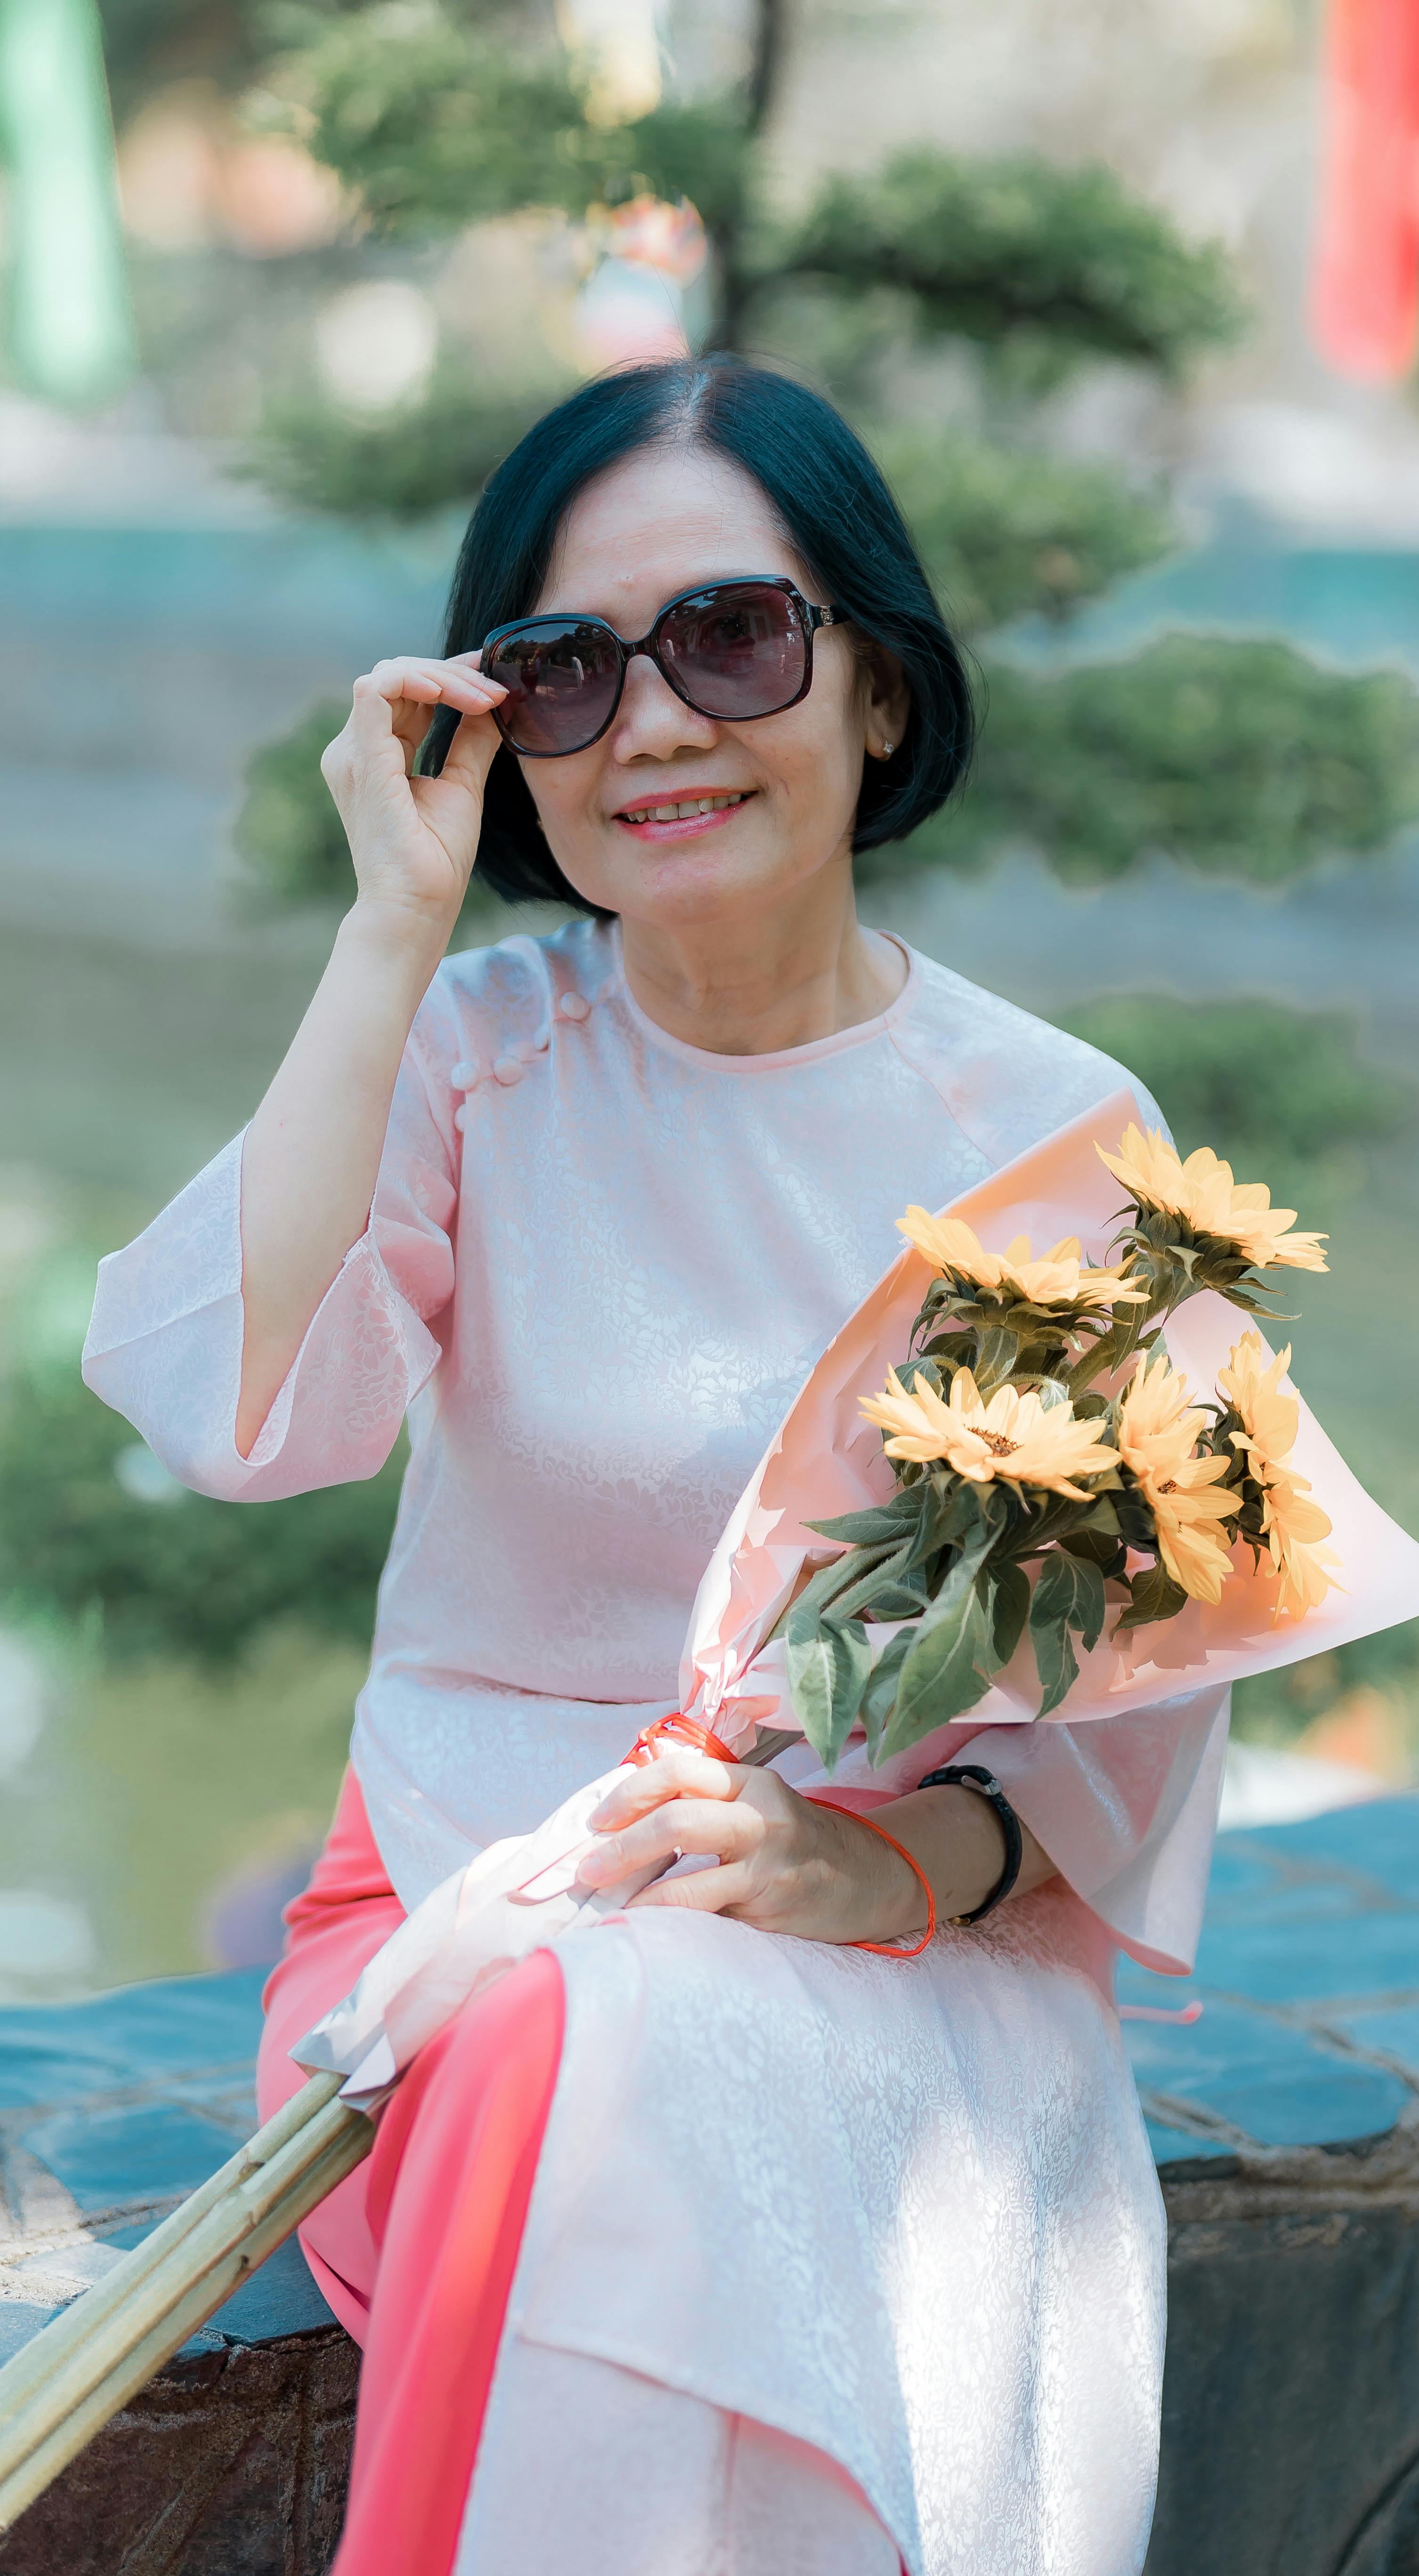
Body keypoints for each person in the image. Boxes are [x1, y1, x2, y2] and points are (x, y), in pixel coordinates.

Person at [84, 357, 1229, 2576]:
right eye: (564, 669)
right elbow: (243, 1414)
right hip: (460, 1909)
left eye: (732, 636)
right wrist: (390, 932)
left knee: (612, 2061)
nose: (656, 723)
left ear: (878, 684)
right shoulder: (476, 1057)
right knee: (565, 2033)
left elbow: (1138, 1726)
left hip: (898, 1951)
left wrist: (857, 1870)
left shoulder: (1058, 1139)